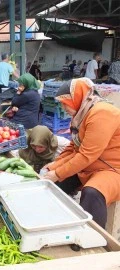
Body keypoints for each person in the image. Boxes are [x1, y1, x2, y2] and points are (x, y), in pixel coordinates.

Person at [43, 78, 120, 229]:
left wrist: (58, 172)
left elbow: (86, 155)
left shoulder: (102, 113)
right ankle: (56, 222)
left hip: (111, 169)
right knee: (53, 182)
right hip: (88, 166)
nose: (63, 107)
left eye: (65, 102)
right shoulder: (80, 115)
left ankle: (94, 239)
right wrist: (54, 166)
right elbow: (73, 148)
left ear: (78, 97)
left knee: (92, 193)